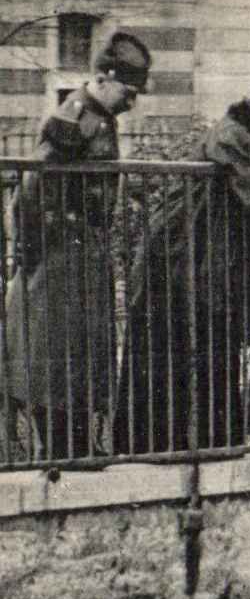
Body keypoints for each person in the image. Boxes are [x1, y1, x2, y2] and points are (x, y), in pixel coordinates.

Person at [114, 64, 250, 454]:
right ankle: (150, 450)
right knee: (167, 357)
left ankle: (215, 448)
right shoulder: (233, 136)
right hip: (177, 261)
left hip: (204, 261)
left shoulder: (245, 136)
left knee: (212, 354)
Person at [4, 32, 151, 459]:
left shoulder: (100, 115)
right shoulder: (72, 120)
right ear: (105, 78)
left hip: (84, 254)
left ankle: (77, 446)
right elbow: (31, 194)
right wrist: (35, 259)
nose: (132, 101)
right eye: (128, 90)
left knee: (81, 361)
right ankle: (62, 450)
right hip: (60, 260)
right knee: (55, 362)